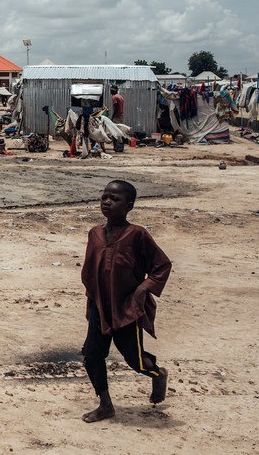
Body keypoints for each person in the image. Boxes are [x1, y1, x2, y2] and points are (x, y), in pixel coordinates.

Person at [80, 180, 172, 423]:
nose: (107, 202)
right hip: (101, 307)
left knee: (134, 359)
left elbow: (161, 265)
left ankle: (157, 373)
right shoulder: (95, 233)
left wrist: (143, 289)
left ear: (129, 205)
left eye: (115, 199)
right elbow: (90, 271)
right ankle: (105, 404)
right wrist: (91, 303)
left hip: (127, 309)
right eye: (104, 197)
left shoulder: (137, 234)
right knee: (91, 355)